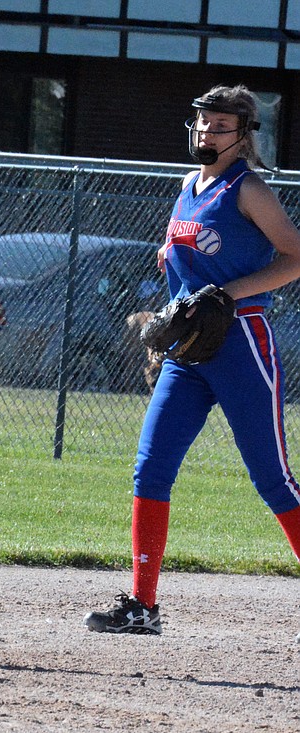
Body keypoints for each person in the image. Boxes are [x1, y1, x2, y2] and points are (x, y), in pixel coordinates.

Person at [86, 84, 300, 635]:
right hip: (188, 352)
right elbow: (186, 255)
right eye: (202, 122)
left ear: (244, 134)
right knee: (151, 468)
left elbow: (294, 258)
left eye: (221, 125)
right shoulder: (189, 185)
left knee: (272, 479)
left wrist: (229, 294)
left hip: (241, 343)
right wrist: (171, 268)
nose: (207, 132)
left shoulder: (248, 189)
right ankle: (142, 604)